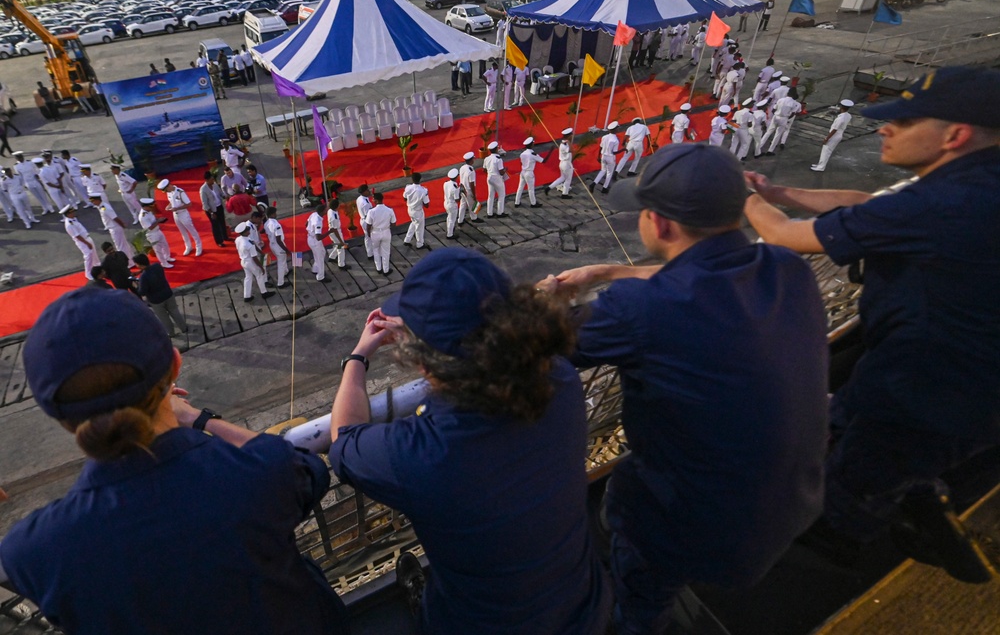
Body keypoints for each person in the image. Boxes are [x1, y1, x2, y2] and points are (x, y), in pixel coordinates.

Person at [538, 143, 829, 634]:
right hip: (795, 503)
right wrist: (611, 271)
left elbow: (532, 341)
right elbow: (706, 274)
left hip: (696, 530)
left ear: (662, 224)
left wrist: (547, 300)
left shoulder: (639, 309)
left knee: (623, 512)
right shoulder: (789, 268)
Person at [743, 66, 1000, 583]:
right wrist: (781, 192)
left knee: (852, 485)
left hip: (930, 383)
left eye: (903, 122)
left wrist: (740, 195)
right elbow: (868, 206)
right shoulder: (973, 183)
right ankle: (921, 498)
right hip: (956, 375)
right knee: (877, 444)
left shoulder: (945, 205)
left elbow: (788, 238)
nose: (885, 128)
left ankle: (823, 555)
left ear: (955, 134)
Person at [0, 288, 349, 633]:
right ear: (175, 364)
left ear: (57, 416)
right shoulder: (256, 473)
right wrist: (199, 418)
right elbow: (309, 468)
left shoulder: (32, 550)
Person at [328, 248, 612, 634]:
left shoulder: (421, 452)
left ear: (424, 362)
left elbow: (344, 440)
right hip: (581, 606)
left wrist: (358, 356)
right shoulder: (559, 377)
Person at [159, 179, 203, 257]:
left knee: (192, 231)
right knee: (183, 232)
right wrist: (168, 206)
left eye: (166, 190)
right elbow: (171, 201)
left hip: (183, 214)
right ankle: (188, 246)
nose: (166, 192)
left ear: (169, 186)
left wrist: (177, 208)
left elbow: (189, 204)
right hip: (175, 214)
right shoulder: (169, 192)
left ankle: (198, 246)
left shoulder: (180, 192)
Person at [811, 99, 855, 172]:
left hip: (835, 135)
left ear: (841, 107)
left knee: (826, 151)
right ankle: (820, 164)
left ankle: (821, 167)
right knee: (826, 150)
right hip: (839, 134)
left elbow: (835, 129)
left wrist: (827, 138)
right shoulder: (848, 115)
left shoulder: (841, 118)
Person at [234, 221, 273, 302]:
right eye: (247, 230)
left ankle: (247, 296)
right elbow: (254, 257)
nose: (249, 231)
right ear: (244, 232)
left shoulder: (238, 239)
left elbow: (254, 244)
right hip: (250, 262)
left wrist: (261, 252)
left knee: (248, 277)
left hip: (243, 261)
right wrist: (261, 267)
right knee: (259, 275)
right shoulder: (248, 244)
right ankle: (264, 292)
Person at [92, 193, 135, 265]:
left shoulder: (105, 208)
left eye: (93, 201)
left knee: (120, 246)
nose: (92, 203)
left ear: (97, 200)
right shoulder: (101, 206)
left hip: (114, 228)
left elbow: (114, 217)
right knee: (124, 244)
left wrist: (122, 224)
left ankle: (128, 263)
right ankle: (131, 259)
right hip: (113, 227)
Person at [62, 206, 99, 280]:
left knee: (93, 253)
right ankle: (88, 273)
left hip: (87, 238)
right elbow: (77, 236)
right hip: (82, 241)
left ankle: (97, 266)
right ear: (68, 214)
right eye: (72, 212)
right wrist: (87, 243)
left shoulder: (73, 219)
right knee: (88, 255)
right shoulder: (69, 224)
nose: (73, 213)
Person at [138, 197, 175, 268]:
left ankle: (167, 257)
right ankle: (164, 263)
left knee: (165, 245)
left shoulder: (149, 211)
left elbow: (153, 220)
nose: (152, 208)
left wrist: (158, 220)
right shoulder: (143, 216)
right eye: (150, 206)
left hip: (157, 230)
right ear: (145, 207)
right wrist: (159, 221)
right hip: (152, 234)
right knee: (158, 250)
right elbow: (150, 227)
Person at [365, 191, 396, 276]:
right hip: (386, 231)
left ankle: (378, 268)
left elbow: (368, 225)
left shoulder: (371, 212)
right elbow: (394, 223)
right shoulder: (389, 210)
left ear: (376, 200)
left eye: (373, 199)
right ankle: (386, 270)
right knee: (386, 251)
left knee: (376, 250)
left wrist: (368, 233)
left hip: (375, 232)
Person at [402, 171, 430, 248]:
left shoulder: (408, 187)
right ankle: (420, 244)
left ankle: (407, 239)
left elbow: (404, 198)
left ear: (412, 179)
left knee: (413, 223)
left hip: (410, 209)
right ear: (420, 179)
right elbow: (427, 205)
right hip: (418, 211)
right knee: (419, 228)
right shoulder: (423, 190)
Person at [514, 137, 544, 208]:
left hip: (523, 172)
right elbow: (543, 161)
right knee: (530, 189)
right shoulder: (533, 154)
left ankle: (517, 202)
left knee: (520, 187)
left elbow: (521, 163)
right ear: (532, 144)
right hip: (529, 173)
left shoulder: (522, 154)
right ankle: (533, 203)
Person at [199, 170, 227, 247]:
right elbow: (205, 204)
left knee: (222, 222)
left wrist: (225, 196)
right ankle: (219, 241)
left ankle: (225, 237)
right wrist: (211, 213)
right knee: (215, 225)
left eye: (213, 179)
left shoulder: (215, 185)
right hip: (211, 210)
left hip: (219, 206)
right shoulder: (203, 190)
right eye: (211, 180)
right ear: (207, 180)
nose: (213, 181)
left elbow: (220, 193)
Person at [593, 121, 620, 194]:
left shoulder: (604, 137)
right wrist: (624, 150)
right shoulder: (615, 140)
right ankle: (605, 188)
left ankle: (594, 183)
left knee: (602, 171)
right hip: (610, 157)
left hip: (603, 156)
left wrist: (599, 156)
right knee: (609, 173)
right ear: (615, 129)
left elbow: (600, 147)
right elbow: (614, 152)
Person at [481, 141, 507, 217]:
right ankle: (500, 212)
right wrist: (505, 170)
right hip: (497, 178)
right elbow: (501, 172)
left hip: (489, 177)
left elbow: (484, 170)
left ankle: (489, 213)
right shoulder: (498, 159)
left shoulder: (487, 158)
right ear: (496, 149)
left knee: (490, 195)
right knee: (501, 195)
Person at [548, 128, 575, 199]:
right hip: (566, 164)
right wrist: (569, 142)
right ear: (568, 136)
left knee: (562, 177)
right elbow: (572, 150)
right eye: (571, 134)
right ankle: (565, 194)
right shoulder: (565, 144)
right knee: (568, 179)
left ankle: (549, 187)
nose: (572, 135)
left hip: (563, 163)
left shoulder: (563, 143)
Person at [306, 202, 329, 282]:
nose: (327, 210)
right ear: (322, 211)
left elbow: (306, 223)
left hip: (310, 238)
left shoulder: (313, 214)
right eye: (325, 210)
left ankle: (315, 269)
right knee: (320, 259)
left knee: (321, 253)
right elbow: (318, 237)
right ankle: (321, 276)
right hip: (315, 241)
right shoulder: (318, 222)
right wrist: (329, 232)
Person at [326, 199, 349, 270]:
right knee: (341, 248)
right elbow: (335, 230)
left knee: (337, 245)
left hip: (333, 231)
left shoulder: (330, 211)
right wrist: (341, 241)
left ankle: (332, 257)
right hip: (336, 233)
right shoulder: (334, 218)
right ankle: (341, 264)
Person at [458, 151, 481, 222]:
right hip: (468, 190)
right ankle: (474, 218)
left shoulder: (462, 167)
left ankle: (460, 220)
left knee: (462, 205)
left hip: (462, 188)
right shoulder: (471, 171)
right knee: (471, 205)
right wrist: (474, 195)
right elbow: (471, 184)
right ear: (471, 160)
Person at [355, 184, 374, 258]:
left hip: (362, 219)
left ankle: (370, 253)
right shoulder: (365, 203)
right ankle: (373, 253)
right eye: (367, 190)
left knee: (367, 237)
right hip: (367, 221)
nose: (369, 191)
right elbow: (369, 215)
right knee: (372, 236)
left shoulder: (359, 198)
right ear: (363, 192)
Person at [442, 168, 461, 238]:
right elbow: (457, 200)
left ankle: (449, 228)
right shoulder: (455, 188)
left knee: (449, 217)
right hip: (452, 204)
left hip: (446, 202)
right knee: (452, 220)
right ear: (456, 177)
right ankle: (449, 234)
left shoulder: (446, 183)